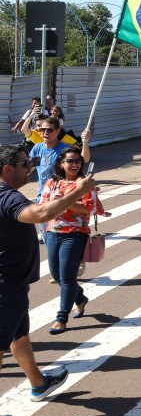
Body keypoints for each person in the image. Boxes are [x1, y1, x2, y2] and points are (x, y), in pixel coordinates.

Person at [0, 144, 96, 401]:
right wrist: (78, 193)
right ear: (7, 169)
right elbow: (41, 212)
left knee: (19, 337)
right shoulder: (8, 197)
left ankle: (39, 383)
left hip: (14, 284)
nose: (30, 169)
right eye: (24, 165)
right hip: (6, 285)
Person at [40, 148, 103, 334]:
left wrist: (66, 201)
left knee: (67, 277)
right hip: (52, 232)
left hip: (75, 233)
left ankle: (61, 318)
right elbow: (43, 205)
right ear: (62, 163)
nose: (74, 164)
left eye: (77, 161)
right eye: (70, 161)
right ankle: (80, 299)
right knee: (57, 275)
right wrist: (56, 202)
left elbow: (88, 208)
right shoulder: (52, 183)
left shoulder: (84, 184)